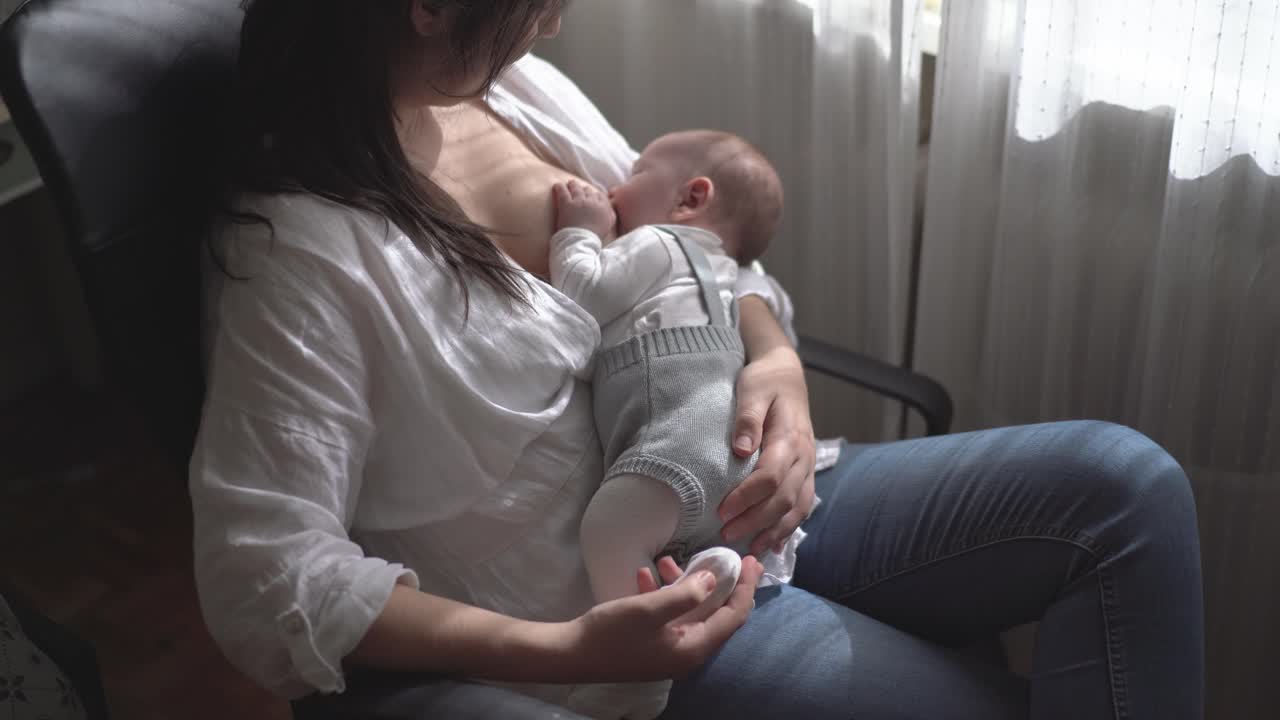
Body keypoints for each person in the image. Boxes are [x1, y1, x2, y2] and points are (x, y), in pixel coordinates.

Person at [190, 2, 1206, 719]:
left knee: (1123, 489)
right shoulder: (298, 251)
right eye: (533, 0)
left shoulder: (518, 96)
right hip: (625, 603)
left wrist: (775, 361)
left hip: (739, 481)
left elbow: (696, 260)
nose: (550, 22)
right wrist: (562, 652)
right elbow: (261, 574)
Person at [548, 131, 787, 718]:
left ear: (690, 198)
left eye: (636, 172)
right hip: (731, 459)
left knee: (609, 528)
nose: (614, 187)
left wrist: (579, 229)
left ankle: (634, 672)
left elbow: (582, 291)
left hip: (675, 443)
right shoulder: (726, 271)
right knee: (656, 530)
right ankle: (713, 572)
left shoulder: (657, 241)